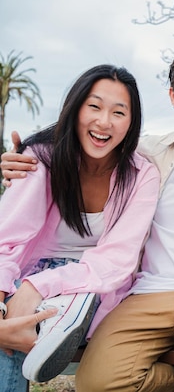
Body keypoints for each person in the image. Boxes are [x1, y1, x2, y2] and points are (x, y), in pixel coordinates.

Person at [1, 47, 174, 391]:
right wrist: (23, 157)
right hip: (148, 293)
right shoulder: (145, 154)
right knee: (97, 383)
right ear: (173, 95)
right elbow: (85, 141)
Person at [0, 64, 160, 390]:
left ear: (131, 123)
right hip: (26, 274)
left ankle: (60, 318)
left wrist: (35, 288)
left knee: (29, 318)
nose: (104, 122)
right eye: (94, 106)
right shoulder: (40, 157)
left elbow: (116, 260)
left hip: (93, 282)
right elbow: (7, 240)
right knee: (8, 336)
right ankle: (44, 324)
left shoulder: (141, 174)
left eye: (119, 112)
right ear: (75, 109)